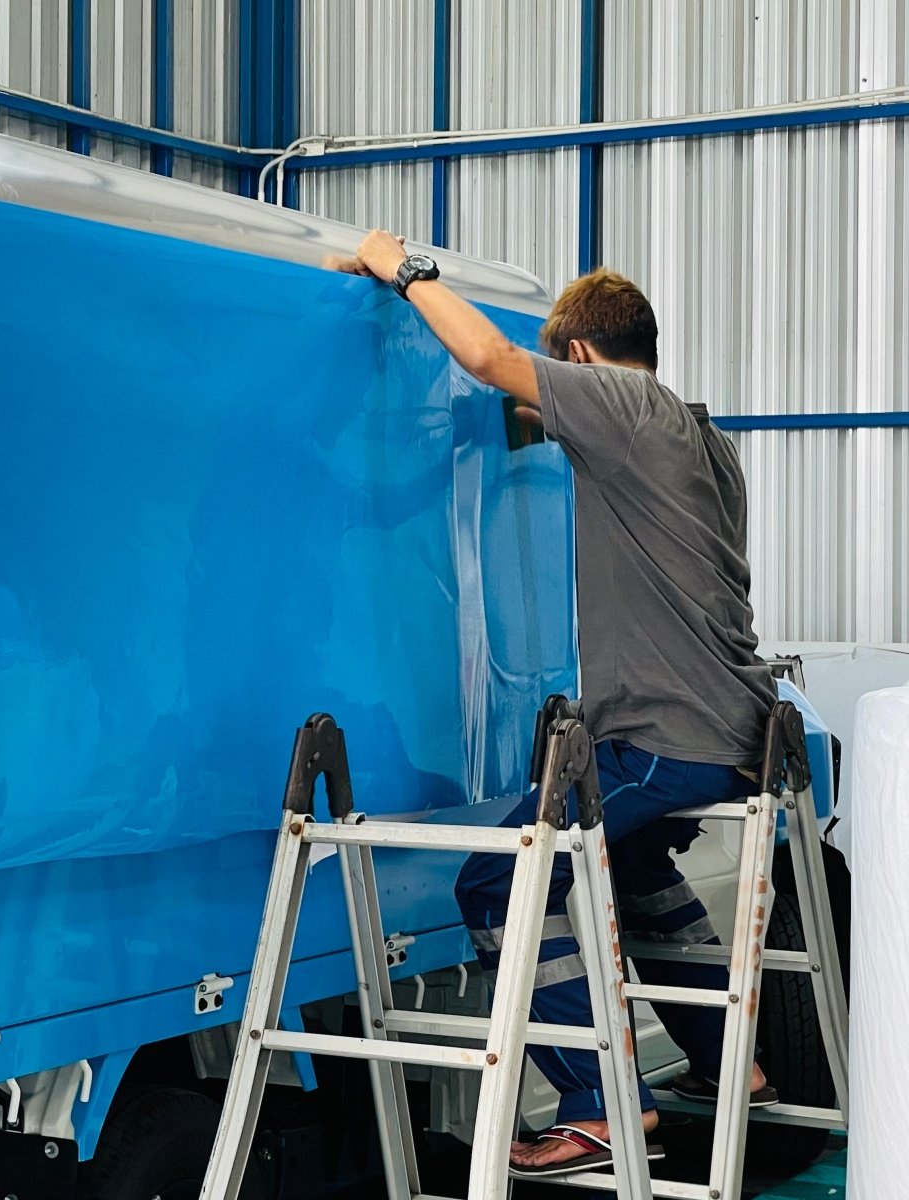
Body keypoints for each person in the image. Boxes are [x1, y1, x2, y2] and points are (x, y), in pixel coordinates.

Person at [326, 232, 780, 1177]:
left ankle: (599, 1107)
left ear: (579, 354)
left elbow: (492, 359)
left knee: (497, 883)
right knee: (633, 863)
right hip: (731, 726)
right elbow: (521, 411)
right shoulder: (696, 433)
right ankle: (731, 1064)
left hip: (667, 735)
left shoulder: (623, 405)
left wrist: (401, 269)